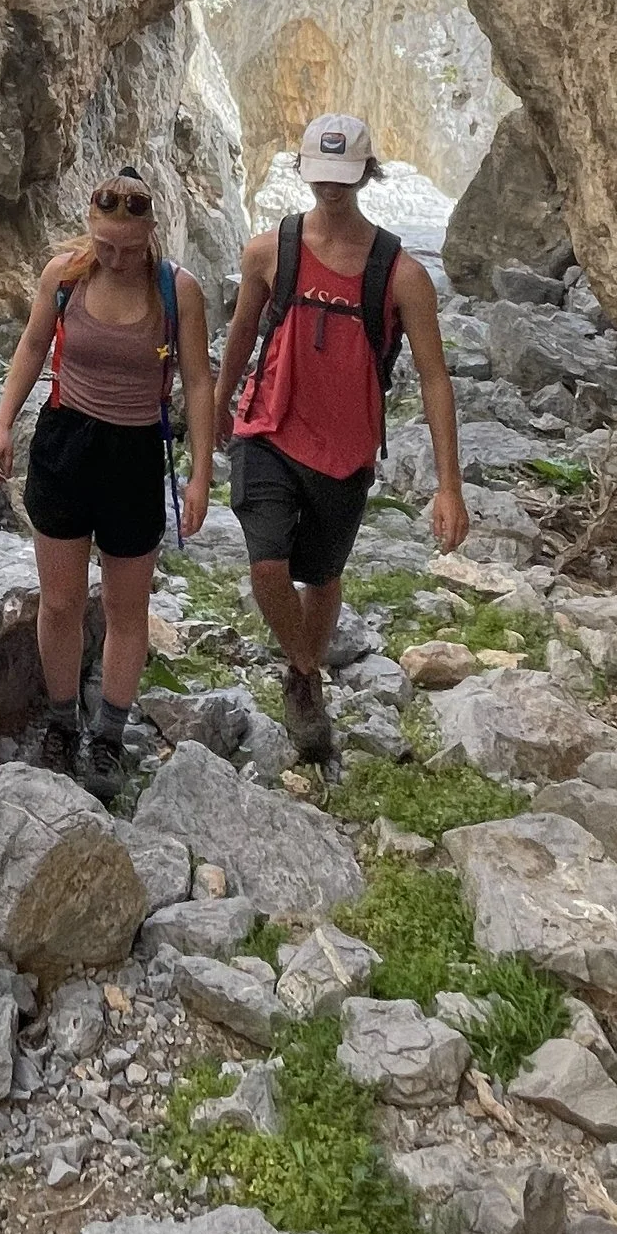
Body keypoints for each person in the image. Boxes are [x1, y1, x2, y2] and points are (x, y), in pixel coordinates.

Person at [213, 109, 468, 764]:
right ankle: (307, 674)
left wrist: (449, 486)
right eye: (321, 174)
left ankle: (300, 676)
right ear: (305, 171)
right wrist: (218, 404)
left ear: (364, 174)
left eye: (343, 176)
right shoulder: (270, 251)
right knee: (268, 564)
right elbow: (243, 332)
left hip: (346, 449)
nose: (331, 188)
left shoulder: (402, 274)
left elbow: (436, 379)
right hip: (267, 425)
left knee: (322, 578)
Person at [0, 169, 216, 798]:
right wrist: (3, 426)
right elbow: (32, 348)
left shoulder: (177, 293)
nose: (114, 258)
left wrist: (200, 473)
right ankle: (62, 720)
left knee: (124, 607)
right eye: (104, 245)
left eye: (127, 248)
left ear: (150, 234)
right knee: (59, 602)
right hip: (66, 443)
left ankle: (108, 734)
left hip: (137, 454)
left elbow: (198, 382)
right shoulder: (65, 276)